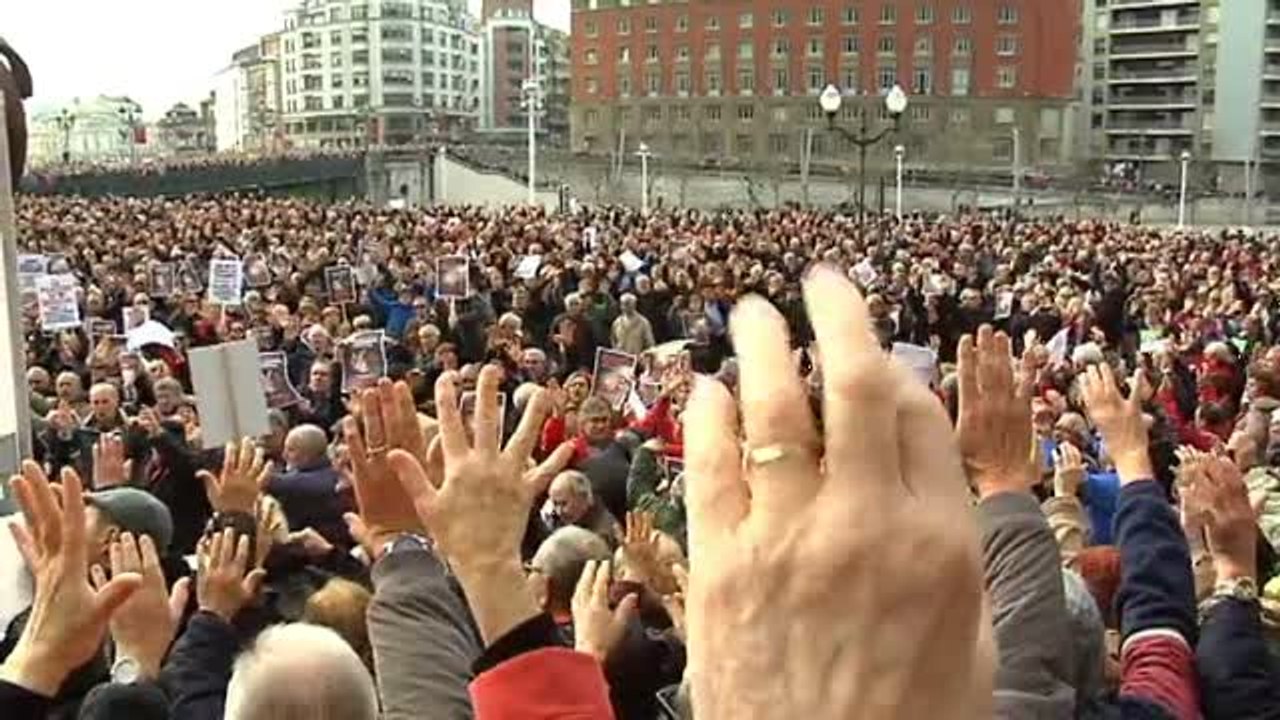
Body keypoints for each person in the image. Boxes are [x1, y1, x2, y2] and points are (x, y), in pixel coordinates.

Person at [265, 425, 351, 548]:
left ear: (308, 454)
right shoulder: (320, 472)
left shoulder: (320, 481)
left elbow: (275, 482)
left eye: (291, 450)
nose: (284, 455)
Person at [545, 471, 623, 549]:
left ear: (582, 497)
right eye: (555, 504)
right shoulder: (558, 520)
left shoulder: (603, 532)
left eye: (564, 504)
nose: (559, 511)